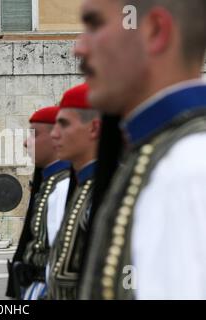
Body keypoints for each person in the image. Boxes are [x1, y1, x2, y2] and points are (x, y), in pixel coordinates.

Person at [75, 0, 206, 299]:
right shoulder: (157, 156)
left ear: (154, 31)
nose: (78, 48)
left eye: (95, 25)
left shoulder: (188, 170)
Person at [6, 106, 71, 300]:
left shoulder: (64, 185)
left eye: (34, 134)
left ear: (56, 136)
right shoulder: (49, 182)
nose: (26, 143)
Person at [47, 83, 101, 300]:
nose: (54, 135)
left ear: (94, 128)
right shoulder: (76, 187)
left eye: (64, 124)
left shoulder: (105, 192)